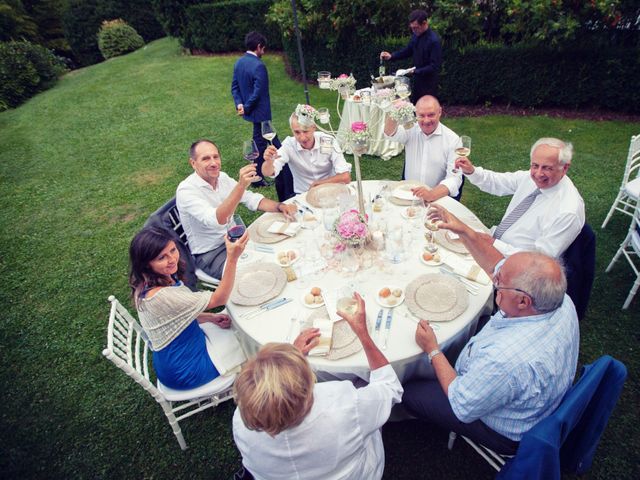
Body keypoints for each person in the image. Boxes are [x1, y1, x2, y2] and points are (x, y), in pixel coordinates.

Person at [402, 203, 580, 455]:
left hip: (506, 430)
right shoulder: (560, 301)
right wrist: (465, 233)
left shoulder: (504, 362)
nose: (493, 279)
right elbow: (496, 265)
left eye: (499, 283)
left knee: (409, 392)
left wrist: (432, 350)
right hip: (528, 388)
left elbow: (461, 402)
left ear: (522, 301)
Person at [232, 293, 403, 480]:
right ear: (306, 389)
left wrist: (292, 357)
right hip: (357, 473)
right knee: (364, 381)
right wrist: (363, 334)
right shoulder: (344, 408)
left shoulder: (241, 422)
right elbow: (390, 387)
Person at [128, 225, 249, 390]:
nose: (172, 259)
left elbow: (176, 314)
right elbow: (219, 299)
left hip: (179, 351)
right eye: (161, 257)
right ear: (146, 264)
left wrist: (210, 317)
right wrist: (232, 258)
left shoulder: (148, 281)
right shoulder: (161, 296)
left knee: (241, 327)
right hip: (185, 369)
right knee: (248, 343)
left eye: (172, 250)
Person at [176, 139, 297, 280]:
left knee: (280, 251)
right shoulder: (186, 191)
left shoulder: (222, 177)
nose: (214, 163)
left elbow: (251, 199)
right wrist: (240, 186)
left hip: (237, 240)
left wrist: (280, 206)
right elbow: (217, 220)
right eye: (206, 159)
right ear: (193, 163)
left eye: (216, 157)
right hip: (212, 254)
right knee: (260, 274)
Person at [454, 137, 585, 257]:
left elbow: (540, 258)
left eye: (547, 168)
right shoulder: (529, 177)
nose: (538, 174)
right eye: (535, 165)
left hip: (517, 266)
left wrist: (494, 244)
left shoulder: (568, 211)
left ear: (565, 167)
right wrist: (471, 171)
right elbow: (497, 182)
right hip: (494, 244)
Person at [231, 31, 292, 192]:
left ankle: (283, 160)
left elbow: (235, 87)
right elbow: (258, 92)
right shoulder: (259, 66)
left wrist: (240, 105)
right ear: (258, 47)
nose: (263, 52)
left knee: (265, 138)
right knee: (263, 139)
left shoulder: (239, 62)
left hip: (251, 110)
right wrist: (247, 107)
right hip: (260, 112)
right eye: (263, 49)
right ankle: (265, 172)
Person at [384, 95, 463, 202]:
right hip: (408, 195)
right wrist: (394, 108)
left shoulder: (453, 140)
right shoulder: (410, 130)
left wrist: (431, 194)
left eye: (431, 115)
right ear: (415, 114)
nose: (426, 121)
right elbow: (389, 133)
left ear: (439, 112)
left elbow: (454, 178)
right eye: (421, 115)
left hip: (437, 199)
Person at [262, 110, 352, 195]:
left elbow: (345, 177)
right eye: (297, 132)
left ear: (314, 128)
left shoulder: (327, 141)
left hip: (331, 189)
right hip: (304, 194)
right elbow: (268, 173)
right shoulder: (288, 145)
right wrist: (268, 161)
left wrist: (319, 184)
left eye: (305, 131)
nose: (302, 137)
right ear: (291, 130)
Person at [380, 9, 442, 103]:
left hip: (429, 84)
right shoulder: (416, 35)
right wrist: (391, 56)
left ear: (424, 23)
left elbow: (434, 66)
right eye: (412, 28)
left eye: (415, 27)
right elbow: (408, 51)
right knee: (415, 109)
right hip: (417, 81)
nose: (413, 30)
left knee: (427, 111)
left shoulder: (434, 41)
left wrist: (415, 71)